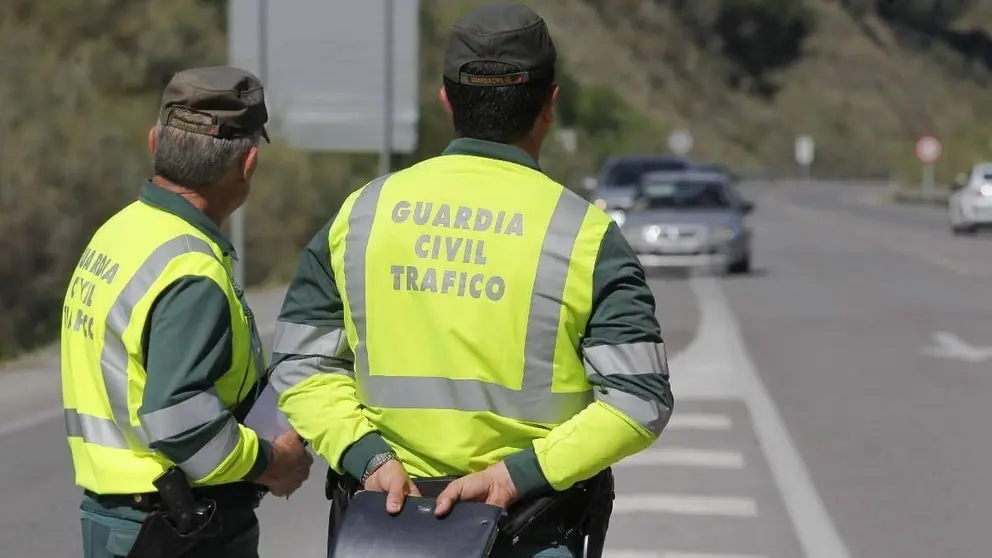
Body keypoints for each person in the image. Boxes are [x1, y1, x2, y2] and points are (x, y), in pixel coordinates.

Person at [270, 3, 674, 557]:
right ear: (549, 106)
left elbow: (300, 364)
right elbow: (639, 399)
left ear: (446, 101)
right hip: (530, 531)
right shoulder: (586, 236)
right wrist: (516, 476)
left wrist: (371, 459)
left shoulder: (361, 215)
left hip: (385, 532)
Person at [61, 66, 312, 558]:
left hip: (116, 519)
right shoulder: (190, 268)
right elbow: (179, 422)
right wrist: (270, 462)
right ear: (249, 164)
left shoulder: (120, 231)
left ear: (155, 142)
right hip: (180, 531)